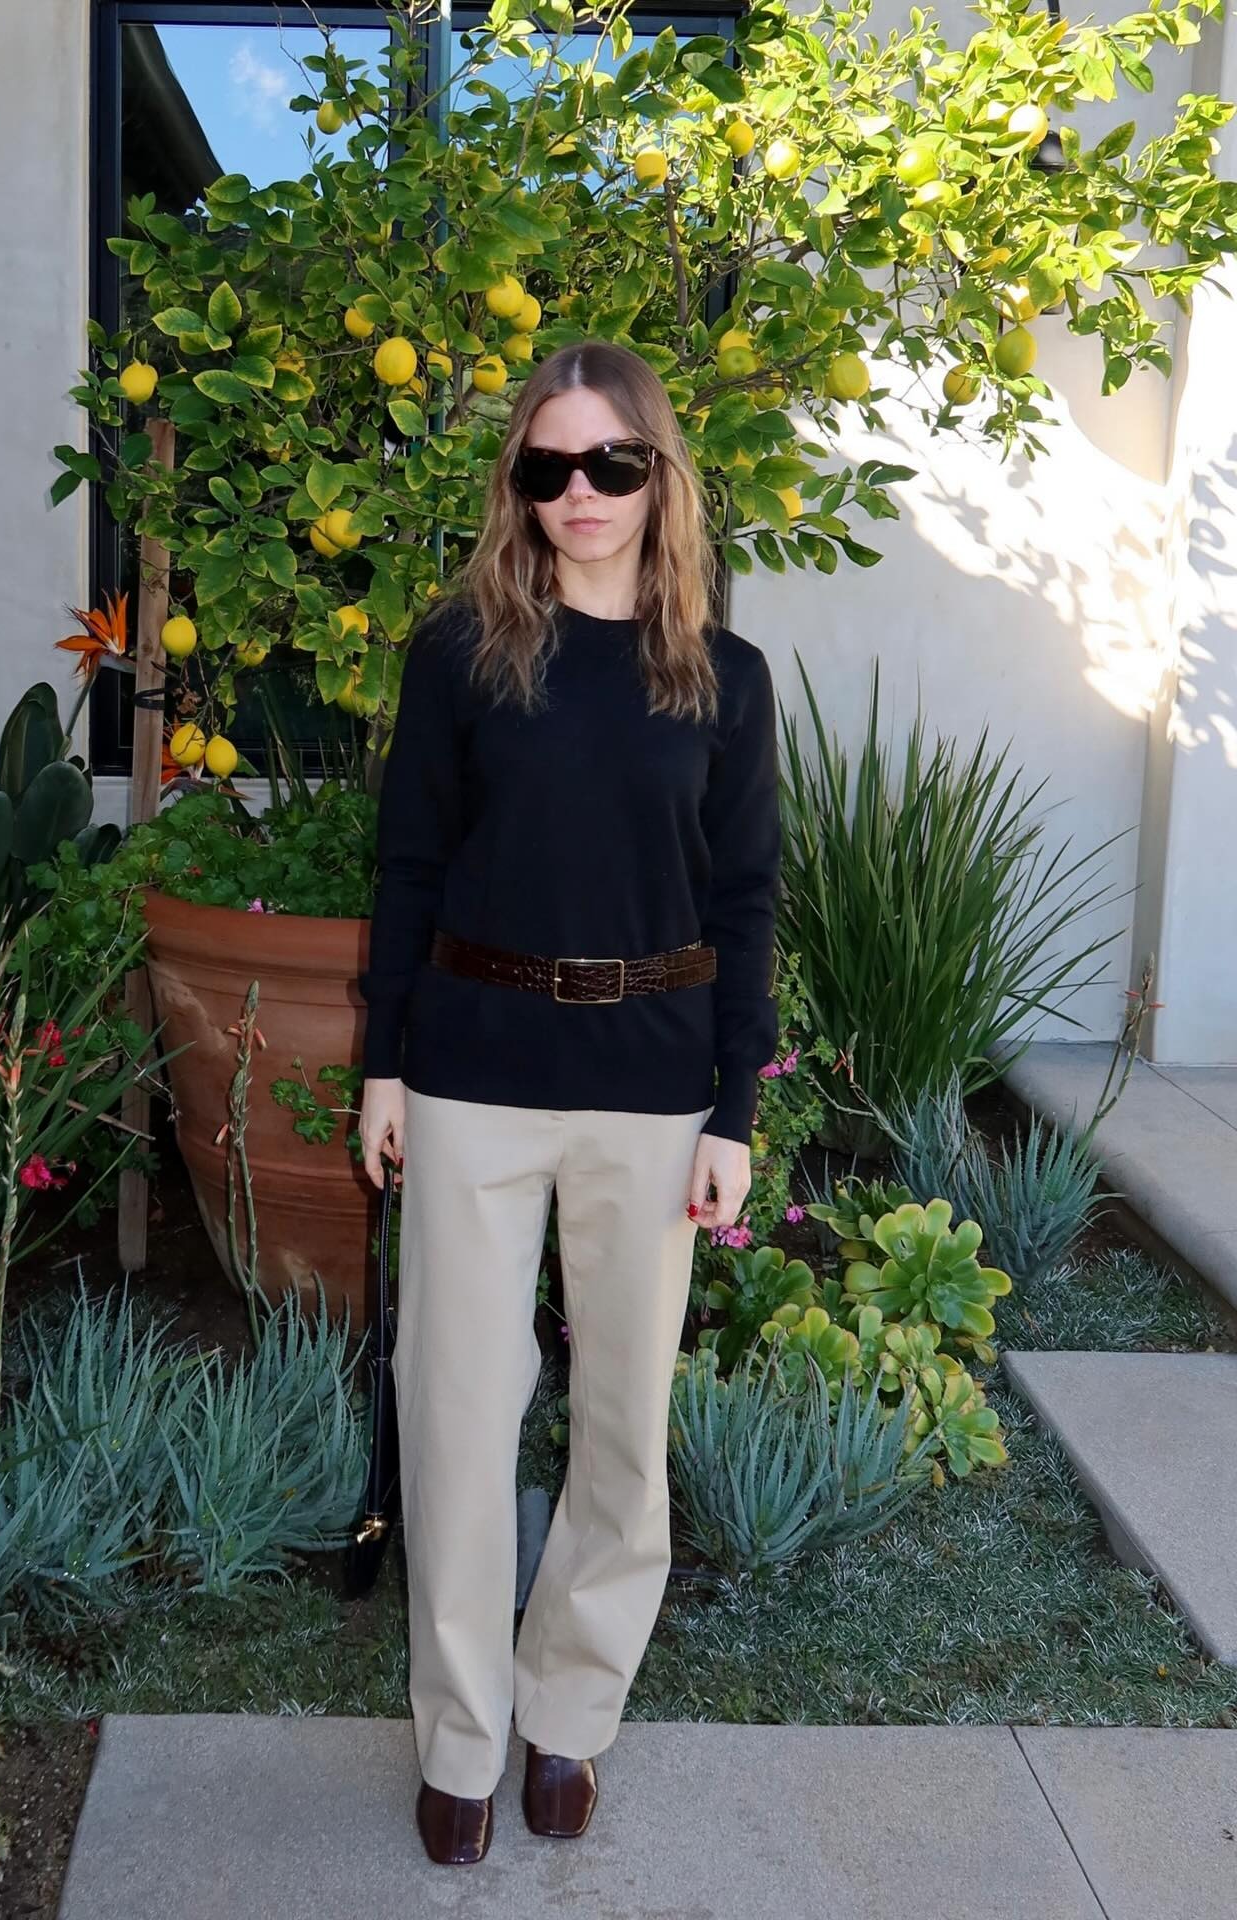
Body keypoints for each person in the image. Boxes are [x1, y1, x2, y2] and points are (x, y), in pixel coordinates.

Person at [357, 338, 782, 1866]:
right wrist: (386, 1069)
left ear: (660, 476)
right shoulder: (461, 652)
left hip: (652, 1092)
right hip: (472, 1072)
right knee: (459, 1421)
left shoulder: (724, 678)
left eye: (612, 462)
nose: (580, 492)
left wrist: (734, 1109)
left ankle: (572, 1720)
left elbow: (748, 904)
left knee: (620, 1427)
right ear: (516, 484)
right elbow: (408, 866)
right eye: (548, 466)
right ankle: (461, 1740)